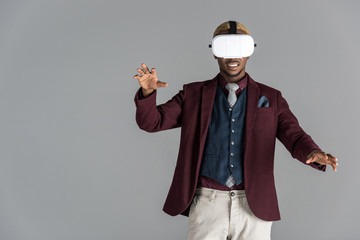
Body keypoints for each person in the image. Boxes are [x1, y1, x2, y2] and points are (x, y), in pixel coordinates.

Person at [133, 21, 338, 240]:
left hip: (254, 203)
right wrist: (147, 94)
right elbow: (152, 122)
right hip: (207, 202)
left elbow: (293, 134)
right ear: (214, 53)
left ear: (249, 53)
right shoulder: (192, 94)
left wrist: (311, 152)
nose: (233, 57)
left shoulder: (271, 98)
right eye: (225, 49)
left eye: (240, 49)